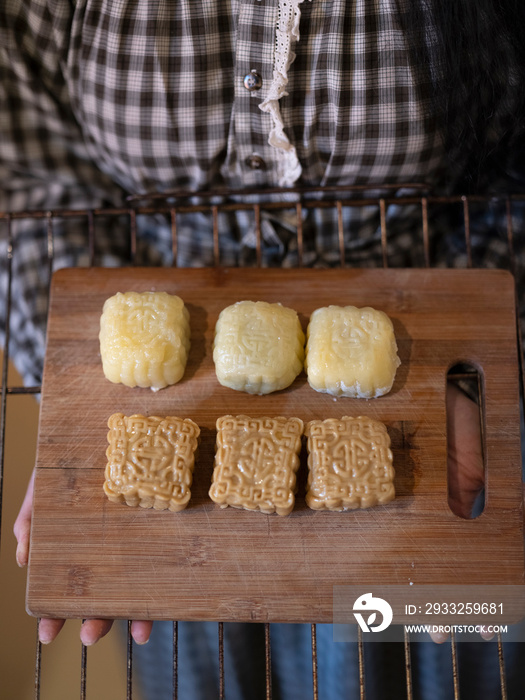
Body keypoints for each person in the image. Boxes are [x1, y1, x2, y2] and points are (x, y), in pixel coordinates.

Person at [3, 0, 525, 697]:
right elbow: (27, 185)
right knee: (204, 668)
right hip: (174, 384)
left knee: (435, 644)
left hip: (440, 384)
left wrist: (471, 384)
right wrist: (69, 389)